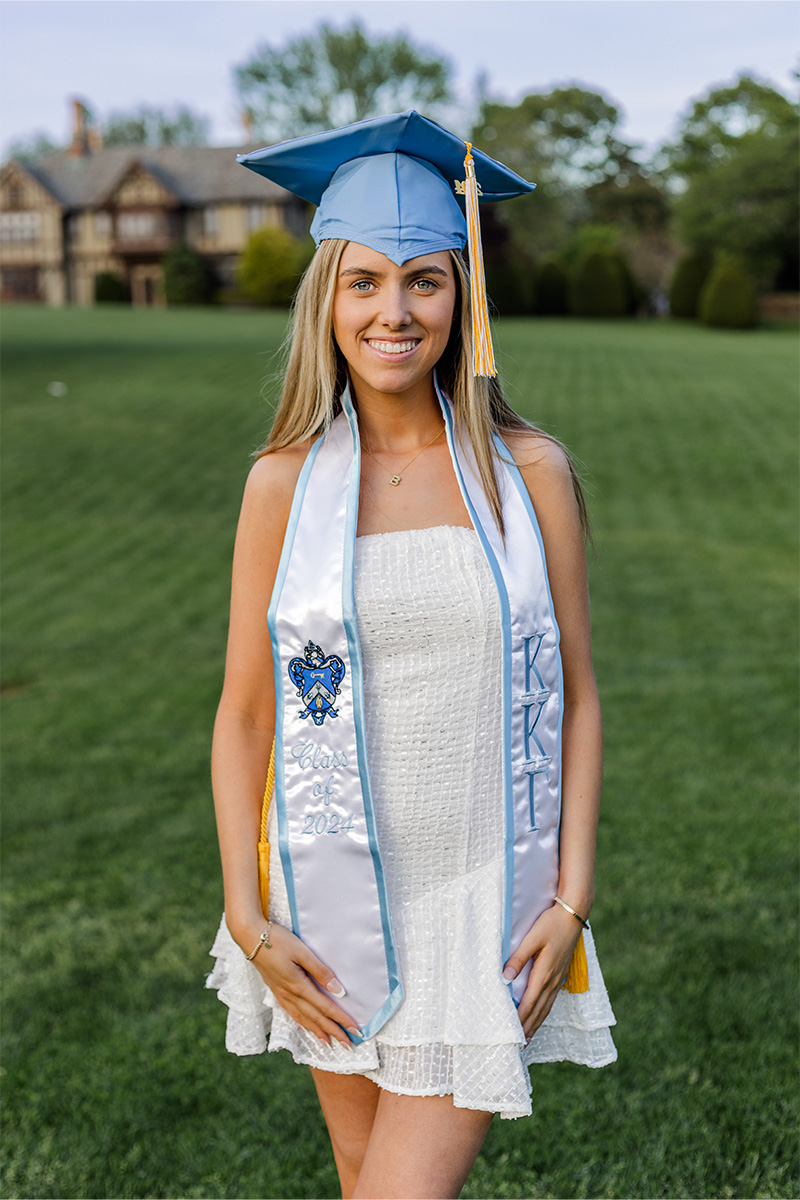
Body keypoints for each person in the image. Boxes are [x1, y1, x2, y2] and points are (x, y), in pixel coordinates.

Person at [207, 111, 616, 1200]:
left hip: (484, 899)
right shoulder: (283, 484)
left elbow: (575, 696)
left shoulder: (528, 477)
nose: (394, 312)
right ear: (326, 301)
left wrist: (569, 899)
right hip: (327, 897)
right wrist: (247, 919)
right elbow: (246, 712)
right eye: (364, 283)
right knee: (361, 1181)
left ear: (462, 297)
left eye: (425, 282)